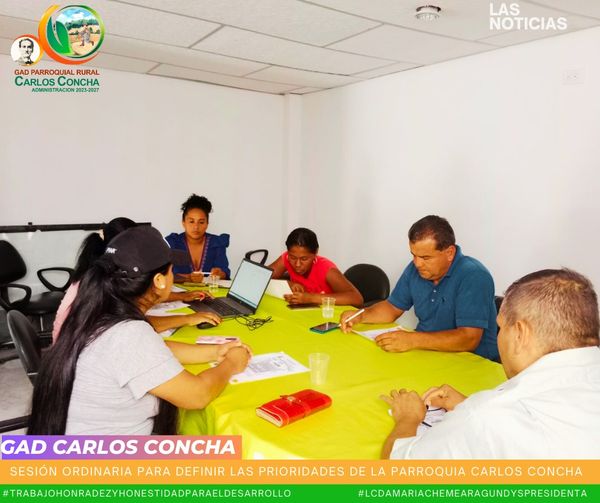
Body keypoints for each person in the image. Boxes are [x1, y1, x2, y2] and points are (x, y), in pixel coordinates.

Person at [29, 226, 251, 435]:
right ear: (159, 281)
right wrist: (231, 364)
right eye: (171, 271)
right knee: (233, 454)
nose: (173, 277)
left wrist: (216, 351)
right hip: (110, 459)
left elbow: (157, 350)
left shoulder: (98, 312)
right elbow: (197, 395)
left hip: (71, 448)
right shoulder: (128, 334)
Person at [381, 268, 600, 459]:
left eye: (501, 327)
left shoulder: (490, 416)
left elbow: (398, 474)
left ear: (520, 333)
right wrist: (467, 405)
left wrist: (408, 418)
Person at [340, 215, 498, 360]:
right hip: (426, 354)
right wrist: (361, 316)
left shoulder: (474, 276)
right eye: (413, 255)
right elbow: (392, 308)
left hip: (471, 363)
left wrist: (413, 340)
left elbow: (469, 338)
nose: (417, 263)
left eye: (425, 257)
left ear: (450, 253)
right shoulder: (415, 269)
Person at [52, 218, 218, 343]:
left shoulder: (101, 274)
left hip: (66, 357)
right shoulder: (109, 285)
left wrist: (182, 296)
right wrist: (187, 319)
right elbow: (136, 324)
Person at [268, 227, 363, 307]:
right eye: (293, 258)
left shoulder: (328, 270)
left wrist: (310, 298)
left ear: (316, 252)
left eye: (304, 259)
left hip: (327, 315)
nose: (297, 264)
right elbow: (262, 276)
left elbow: (357, 298)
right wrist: (288, 283)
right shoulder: (286, 258)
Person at [166, 194, 230, 281]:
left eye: (201, 222)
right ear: (183, 223)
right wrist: (187, 278)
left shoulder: (217, 243)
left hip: (210, 290)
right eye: (191, 221)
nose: (196, 227)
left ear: (207, 224)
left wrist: (220, 274)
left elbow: (225, 272)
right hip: (178, 290)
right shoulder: (173, 243)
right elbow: (162, 275)